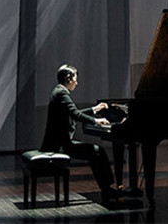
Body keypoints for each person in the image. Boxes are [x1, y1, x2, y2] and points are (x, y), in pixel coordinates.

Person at [40, 64, 121, 201]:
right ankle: (108, 189)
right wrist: (96, 121)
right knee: (97, 151)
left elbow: (72, 113)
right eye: (75, 79)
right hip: (60, 146)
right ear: (69, 78)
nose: (77, 83)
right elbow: (75, 114)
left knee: (96, 152)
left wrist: (94, 109)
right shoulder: (62, 93)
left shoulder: (58, 91)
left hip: (59, 143)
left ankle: (107, 189)